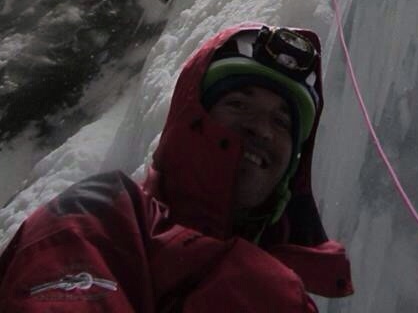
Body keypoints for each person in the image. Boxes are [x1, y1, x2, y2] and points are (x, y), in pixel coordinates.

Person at [0, 24, 353, 311]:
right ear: (191, 119)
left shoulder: (290, 292)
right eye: (238, 104)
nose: (262, 129)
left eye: (281, 121)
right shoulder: (100, 218)